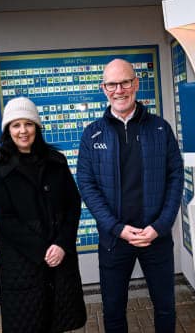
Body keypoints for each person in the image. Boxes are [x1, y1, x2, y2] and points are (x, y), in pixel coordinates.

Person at [77, 58, 184, 333]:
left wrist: (159, 227)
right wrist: (117, 228)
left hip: (155, 238)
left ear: (136, 84)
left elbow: (175, 178)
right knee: (113, 312)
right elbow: (87, 185)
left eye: (125, 82)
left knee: (165, 308)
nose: (119, 89)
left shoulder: (160, 129)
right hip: (115, 240)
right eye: (112, 84)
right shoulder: (92, 134)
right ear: (104, 88)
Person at [0, 97, 86, 333]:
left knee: (59, 321)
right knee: (29, 324)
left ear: (37, 127)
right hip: (22, 262)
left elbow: (73, 204)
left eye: (28, 124)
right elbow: (3, 218)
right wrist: (42, 249)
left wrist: (61, 244)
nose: (23, 131)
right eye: (16, 125)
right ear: (8, 130)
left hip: (59, 256)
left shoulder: (56, 160)